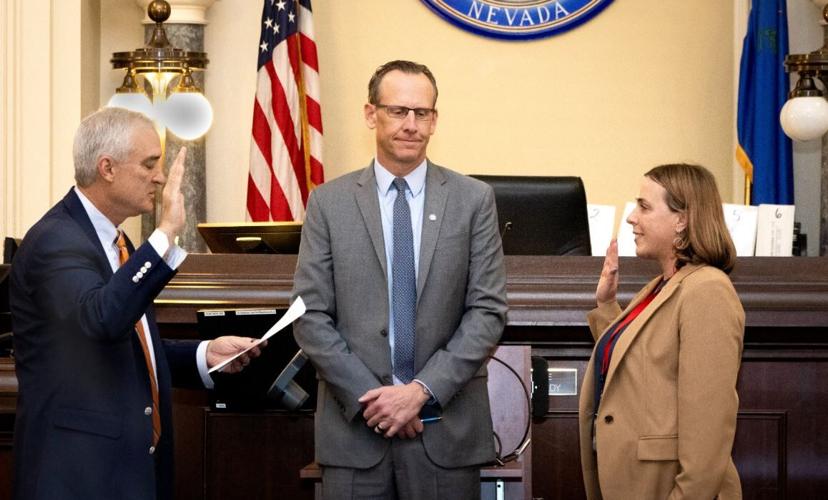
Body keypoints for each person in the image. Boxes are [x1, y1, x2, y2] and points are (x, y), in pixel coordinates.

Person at [10, 107, 263, 500]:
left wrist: (203, 355)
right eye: (149, 164)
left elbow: (127, 348)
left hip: (126, 473)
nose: (159, 177)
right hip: (77, 477)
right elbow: (103, 320)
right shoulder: (55, 240)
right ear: (107, 168)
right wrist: (166, 233)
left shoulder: (117, 241)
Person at [292, 60, 508, 499]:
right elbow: (309, 315)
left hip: (445, 434)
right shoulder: (328, 203)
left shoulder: (473, 200)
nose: (411, 124)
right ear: (371, 114)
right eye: (397, 111)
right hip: (355, 434)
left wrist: (420, 393)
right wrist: (376, 400)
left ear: (434, 120)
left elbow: (487, 312)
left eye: (421, 113)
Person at [578, 163, 745, 499]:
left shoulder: (707, 290)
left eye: (644, 206)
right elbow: (640, 366)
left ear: (681, 219)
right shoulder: (661, 286)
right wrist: (607, 305)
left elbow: (708, 428)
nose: (631, 218)